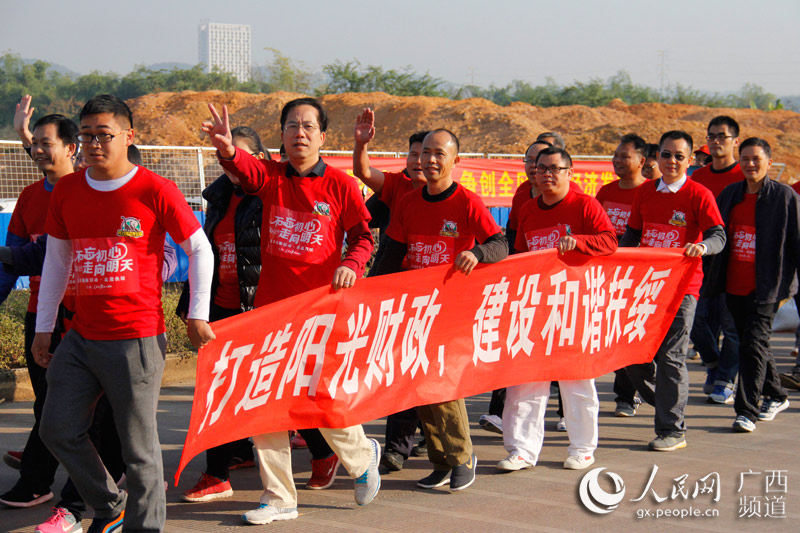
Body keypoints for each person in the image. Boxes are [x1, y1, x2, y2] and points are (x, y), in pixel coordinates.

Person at [33, 94, 215, 533]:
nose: (95, 143)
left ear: (128, 136)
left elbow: (199, 248)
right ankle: (109, 505)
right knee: (56, 430)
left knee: (139, 450)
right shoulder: (69, 191)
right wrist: (44, 326)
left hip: (136, 338)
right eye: (87, 135)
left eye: (105, 134)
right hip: (80, 337)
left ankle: (144, 527)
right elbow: (57, 263)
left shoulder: (154, 189)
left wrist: (197, 313)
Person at [203, 97, 381, 525]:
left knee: (320, 401)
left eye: (307, 126)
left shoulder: (340, 185)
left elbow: (363, 237)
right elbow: (244, 171)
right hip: (270, 314)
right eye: (291, 126)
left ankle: (360, 458)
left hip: (320, 313)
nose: (299, 133)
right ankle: (279, 496)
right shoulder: (271, 178)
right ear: (281, 135)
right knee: (266, 404)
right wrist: (227, 148)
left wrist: (350, 265)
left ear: (322, 136)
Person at [372, 129, 508, 491]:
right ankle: (441, 460)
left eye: (438, 154)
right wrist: (367, 289)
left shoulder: (467, 202)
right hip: (415, 310)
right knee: (419, 387)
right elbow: (390, 251)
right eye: (424, 153)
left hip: (451, 309)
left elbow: (500, 243)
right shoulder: (409, 202)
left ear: (455, 160)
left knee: (443, 384)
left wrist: (476, 253)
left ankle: (463, 456)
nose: (429, 160)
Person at [500, 146, 617, 472]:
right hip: (535, 307)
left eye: (555, 168)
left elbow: (610, 242)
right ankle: (522, 449)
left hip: (574, 307)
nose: (547, 174)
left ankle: (582, 448)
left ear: (569, 172)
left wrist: (579, 242)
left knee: (576, 382)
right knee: (526, 382)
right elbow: (519, 256)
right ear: (533, 173)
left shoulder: (585, 205)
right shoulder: (526, 209)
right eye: (541, 169)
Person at [620, 130, 725, 452]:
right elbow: (631, 237)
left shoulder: (699, 194)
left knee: (672, 358)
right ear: (657, 158)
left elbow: (719, 235)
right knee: (633, 355)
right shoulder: (646, 193)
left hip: (682, 289)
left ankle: (671, 430)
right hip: (645, 289)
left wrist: (703, 247)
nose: (672, 162)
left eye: (679, 156)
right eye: (666, 155)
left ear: (690, 160)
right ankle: (666, 401)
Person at [176, 126, 265, 503]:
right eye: (226, 157)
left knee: (275, 391)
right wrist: (190, 305)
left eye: (240, 156)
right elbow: (205, 252)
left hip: (260, 310)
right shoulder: (218, 196)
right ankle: (219, 472)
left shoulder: (271, 197)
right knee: (220, 390)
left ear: (258, 161)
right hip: (222, 308)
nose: (233, 165)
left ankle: (327, 452)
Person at [0, 100, 77, 510]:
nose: (39, 150)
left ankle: (37, 478)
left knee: (67, 404)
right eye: (36, 144)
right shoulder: (30, 197)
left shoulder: (86, 190)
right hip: (39, 317)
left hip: (84, 316)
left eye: (48, 144)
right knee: (47, 399)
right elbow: (11, 259)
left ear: (72, 148)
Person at [353, 107, 429, 472]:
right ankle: (397, 447)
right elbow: (363, 172)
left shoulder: (458, 199)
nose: (420, 161)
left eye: (428, 154)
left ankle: (431, 436)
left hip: (439, 299)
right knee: (401, 369)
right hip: (396, 294)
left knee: (432, 374)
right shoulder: (397, 186)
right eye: (414, 154)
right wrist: (360, 145)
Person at [705, 138, 797, 432]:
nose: (750, 164)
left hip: (767, 287)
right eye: (745, 159)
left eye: (756, 159)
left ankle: (747, 410)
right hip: (733, 284)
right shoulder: (731, 194)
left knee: (751, 345)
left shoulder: (784, 197)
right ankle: (778, 394)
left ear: (770, 163)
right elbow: (716, 232)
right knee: (753, 343)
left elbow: (796, 241)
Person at [476, 139, 552, 436]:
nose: (535, 167)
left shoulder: (575, 198)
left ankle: (559, 413)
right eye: (530, 160)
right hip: (524, 282)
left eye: (542, 162)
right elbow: (512, 236)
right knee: (513, 342)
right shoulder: (522, 194)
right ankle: (499, 413)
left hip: (558, 287)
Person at [595, 134, 652, 417]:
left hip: (645, 277)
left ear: (641, 161)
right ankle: (625, 395)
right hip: (609, 275)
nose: (617, 160)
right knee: (617, 335)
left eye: (624, 156)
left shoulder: (653, 192)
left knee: (639, 336)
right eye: (615, 155)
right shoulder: (605, 192)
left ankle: (640, 389)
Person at [690, 116, 744, 403]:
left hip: (737, 258)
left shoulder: (744, 175)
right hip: (703, 257)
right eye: (711, 136)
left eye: (722, 136)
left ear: (735, 141)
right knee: (697, 320)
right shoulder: (697, 177)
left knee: (732, 323)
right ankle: (713, 363)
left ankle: (725, 379)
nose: (716, 141)